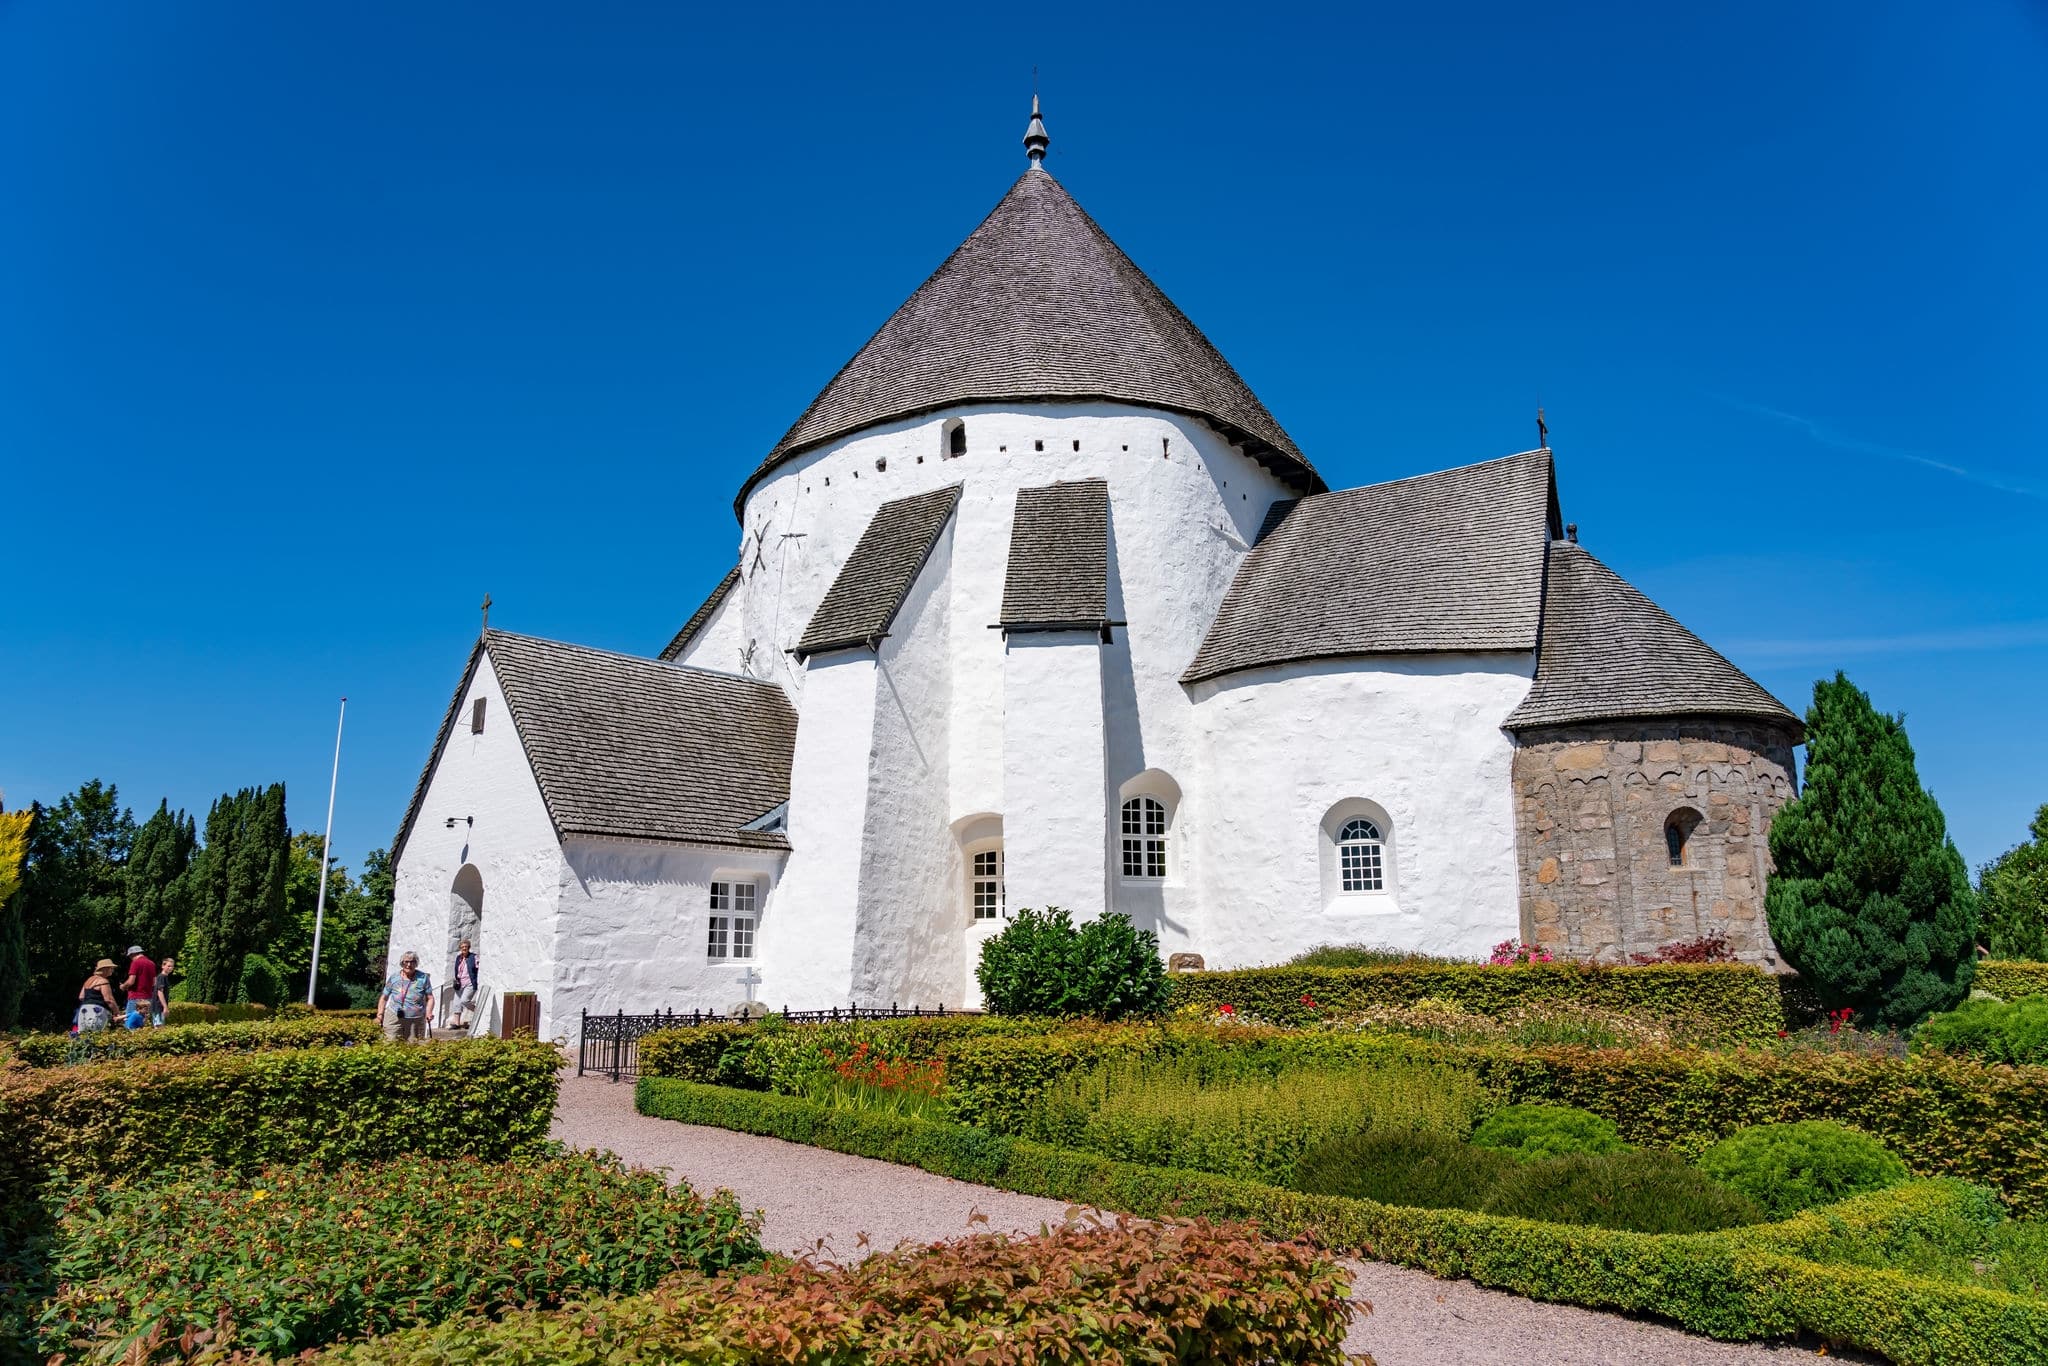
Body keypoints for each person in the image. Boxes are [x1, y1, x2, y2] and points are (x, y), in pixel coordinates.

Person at [377, 951, 433, 1042]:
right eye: (406, 962)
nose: (409, 965)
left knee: (414, 1045)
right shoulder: (394, 977)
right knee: (390, 1043)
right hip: (394, 1016)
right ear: (402, 963)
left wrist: (429, 1012)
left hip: (415, 1019)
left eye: (412, 962)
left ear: (416, 963)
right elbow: (384, 997)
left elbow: (430, 998)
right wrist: (380, 1014)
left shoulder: (423, 978)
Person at [75, 959, 120, 1034]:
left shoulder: (88, 980)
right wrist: (117, 1012)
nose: (112, 970)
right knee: (97, 1034)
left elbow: (81, 997)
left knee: (83, 1035)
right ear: (105, 969)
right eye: (111, 968)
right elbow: (109, 999)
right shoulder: (103, 981)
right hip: (97, 1011)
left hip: (84, 1010)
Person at [121, 945, 158, 1029]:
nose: (131, 959)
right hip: (148, 998)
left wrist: (123, 986)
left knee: (130, 1024)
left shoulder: (136, 963)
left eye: (130, 957)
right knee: (142, 1024)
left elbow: (131, 981)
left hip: (136, 997)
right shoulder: (151, 963)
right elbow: (154, 982)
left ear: (133, 954)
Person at [449, 939, 478, 1030]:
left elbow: (478, 968)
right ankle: (457, 1024)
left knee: (464, 1000)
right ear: (460, 948)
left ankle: (477, 1010)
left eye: (466, 947)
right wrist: (456, 979)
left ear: (469, 948)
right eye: (462, 947)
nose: (464, 948)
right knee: (456, 1003)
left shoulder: (474, 957)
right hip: (459, 983)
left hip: (470, 983)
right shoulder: (459, 958)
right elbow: (456, 969)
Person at [153, 955, 177, 1026]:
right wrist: (165, 1007)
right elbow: (160, 992)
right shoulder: (161, 977)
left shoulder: (165, 977)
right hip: (158, 1007)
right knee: (159, 1027)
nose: (171, 968)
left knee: (161, 1026)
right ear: (163, 966)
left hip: (160, 1007)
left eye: (172, 966)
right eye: (168, 966)